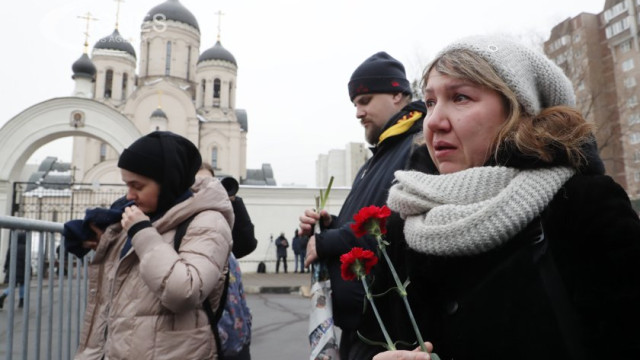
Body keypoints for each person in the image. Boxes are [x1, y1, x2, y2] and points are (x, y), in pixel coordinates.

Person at [371, 35, 640, 360]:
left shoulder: (581, 204)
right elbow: (369, 335)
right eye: (429, 102)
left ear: (519, 111)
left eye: (460, 97)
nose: (434, 122)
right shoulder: (407, 221)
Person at [298, 51, 430, 358]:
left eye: (366, 100)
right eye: (355, 103)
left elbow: (395, 226)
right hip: (362, 329)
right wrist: (329, 224)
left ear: (398, 94)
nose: (358, 112)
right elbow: (365, 220)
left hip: (392, 337)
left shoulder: (419, 146)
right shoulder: (378, 158)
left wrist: (328, 241)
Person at [64, 131, 234, 360]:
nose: (130, 195)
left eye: (138, 186)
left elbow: (184, 291)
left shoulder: (208, 222)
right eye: (127, 185)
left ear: (168, 181)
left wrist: (142, 233)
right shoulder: (144, 215)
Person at [196, 163, 255, 360]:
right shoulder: (185, 219)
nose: (206, 188)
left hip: (236, 335)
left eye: (210, 182)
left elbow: (246, 243)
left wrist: (233, 201)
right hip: (206, 335)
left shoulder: (224, 214)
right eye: (198, 183)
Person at [0, 231, 27, 309]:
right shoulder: (25, 248)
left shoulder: (12, 246)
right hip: (22, 270)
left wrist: (5, 268)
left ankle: (3, 295)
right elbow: (26, 261)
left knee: (12, 285)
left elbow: (7, 258)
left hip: (11, 269)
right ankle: (21, 301)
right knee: (22, 284)